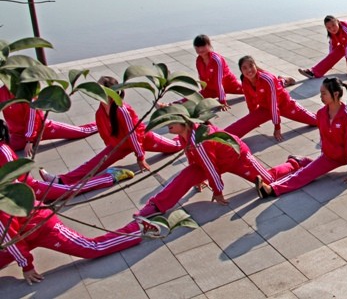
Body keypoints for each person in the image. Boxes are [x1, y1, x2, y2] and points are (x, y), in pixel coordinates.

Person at [135, 121, 305, 217]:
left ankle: (294, 163)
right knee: (185, 176)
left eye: (172, 121)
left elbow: (212, 168)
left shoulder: (200, 140)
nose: (167, 124)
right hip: (213, 161)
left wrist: (217, 191)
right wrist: (198, 179)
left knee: (269, 180)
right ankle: (156, 205)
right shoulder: (185, 134)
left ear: (183, 121)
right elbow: (197, 159)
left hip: (238, 157)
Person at [38, 76, 183, 185]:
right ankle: (60, 180)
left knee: (176, 146)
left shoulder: (122, 110)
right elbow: (103, 130)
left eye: (99, 89)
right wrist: (111, 146)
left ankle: (187, 134)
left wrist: (140, 156)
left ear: (110, 92)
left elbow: (133, 134)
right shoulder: (101, 109)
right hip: (118, 145)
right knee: (94, 163)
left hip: (142, 139)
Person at [0, 207, 159, 285]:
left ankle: (137, 229)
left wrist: (26, 266)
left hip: (43, 226)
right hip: (23, 230)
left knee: (91, 248)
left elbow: (12, 240)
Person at [0, 119, 133, 203]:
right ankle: (58, 181)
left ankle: (110, 176)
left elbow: (15, 180)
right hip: (13, 190)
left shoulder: (4, 152)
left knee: (69, 191)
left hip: (29, 188)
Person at [226, 56, 317, 141]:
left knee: (316, 121)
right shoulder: (245, 81)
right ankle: (215, 137)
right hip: (265, 108)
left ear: (255, 66)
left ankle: (284, 80)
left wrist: (277, 127)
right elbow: (250, 100)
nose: (249, 70)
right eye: (244, 68)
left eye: (251, 66)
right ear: (241, 70)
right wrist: (253, 116)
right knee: (239, 126)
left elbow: (273, 104)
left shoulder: (267, 79)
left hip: (284, 104)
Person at [0, 86, 97, 156]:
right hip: (18, 135)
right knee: (4, 148)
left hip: (43, 128)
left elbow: (33, 118)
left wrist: (29, 141)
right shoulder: (2, 92)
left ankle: (100, 124)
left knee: (81, 132)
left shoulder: (28, 93)